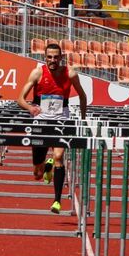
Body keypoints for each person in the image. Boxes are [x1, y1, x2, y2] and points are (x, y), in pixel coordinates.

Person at [16, 43, 88, 214]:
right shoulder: (37, 73)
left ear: (61, 58)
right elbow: (20, 99)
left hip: (62, 118)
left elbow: (83, 96)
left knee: (59, 156)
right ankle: (45, 167)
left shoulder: (70, 74)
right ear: (45, 57)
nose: (53, 60)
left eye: (56, 57)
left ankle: (57, 200)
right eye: (49, 57)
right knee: (37, 173)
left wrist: (83, 121)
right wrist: (30, 108)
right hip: (41, 119)